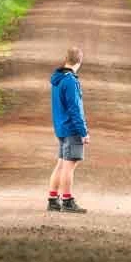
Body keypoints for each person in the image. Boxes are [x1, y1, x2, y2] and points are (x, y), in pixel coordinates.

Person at [47, 45, 89, 212]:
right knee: (68, 166)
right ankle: (67, 200)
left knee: (61, 164)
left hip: (60, 127)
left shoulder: (57, 79)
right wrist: (83, 132)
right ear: (79, 61)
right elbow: (75, 109)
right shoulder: (71, 81)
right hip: (71, 129)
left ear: (66, 59)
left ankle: (52, 199)